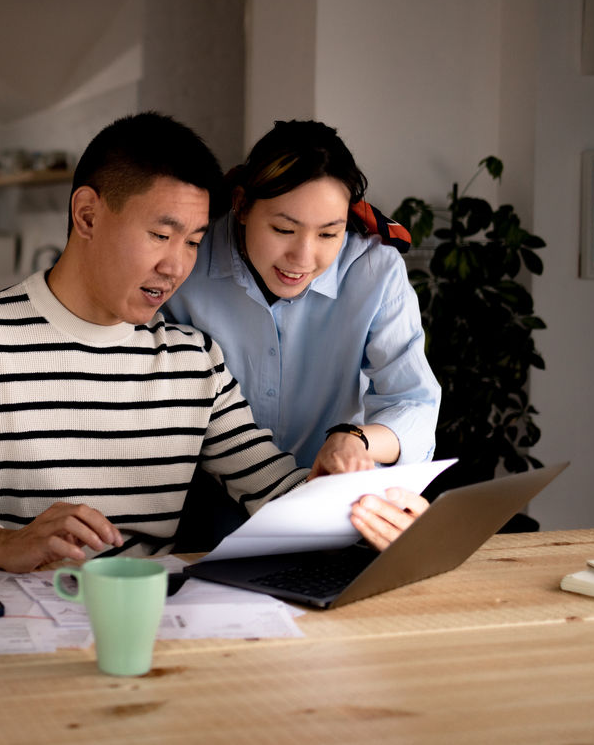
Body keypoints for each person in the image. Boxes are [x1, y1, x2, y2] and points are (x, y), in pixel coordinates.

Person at [0, 112, 428, 573]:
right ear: (87, 216)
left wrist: (368, 507)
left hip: (144, 631)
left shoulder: (195, 361)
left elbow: (275, 489)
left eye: (194, 241)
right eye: (159, 234)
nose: (177, 266)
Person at [163, 119, 441, 549]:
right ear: (241, 205)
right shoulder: (188, 260)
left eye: (329, 233)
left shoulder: (375, 271)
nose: (303, 258)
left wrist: (355, 439)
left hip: (330, 505)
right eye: (284, 230)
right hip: (203, 504)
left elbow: (414, 402)